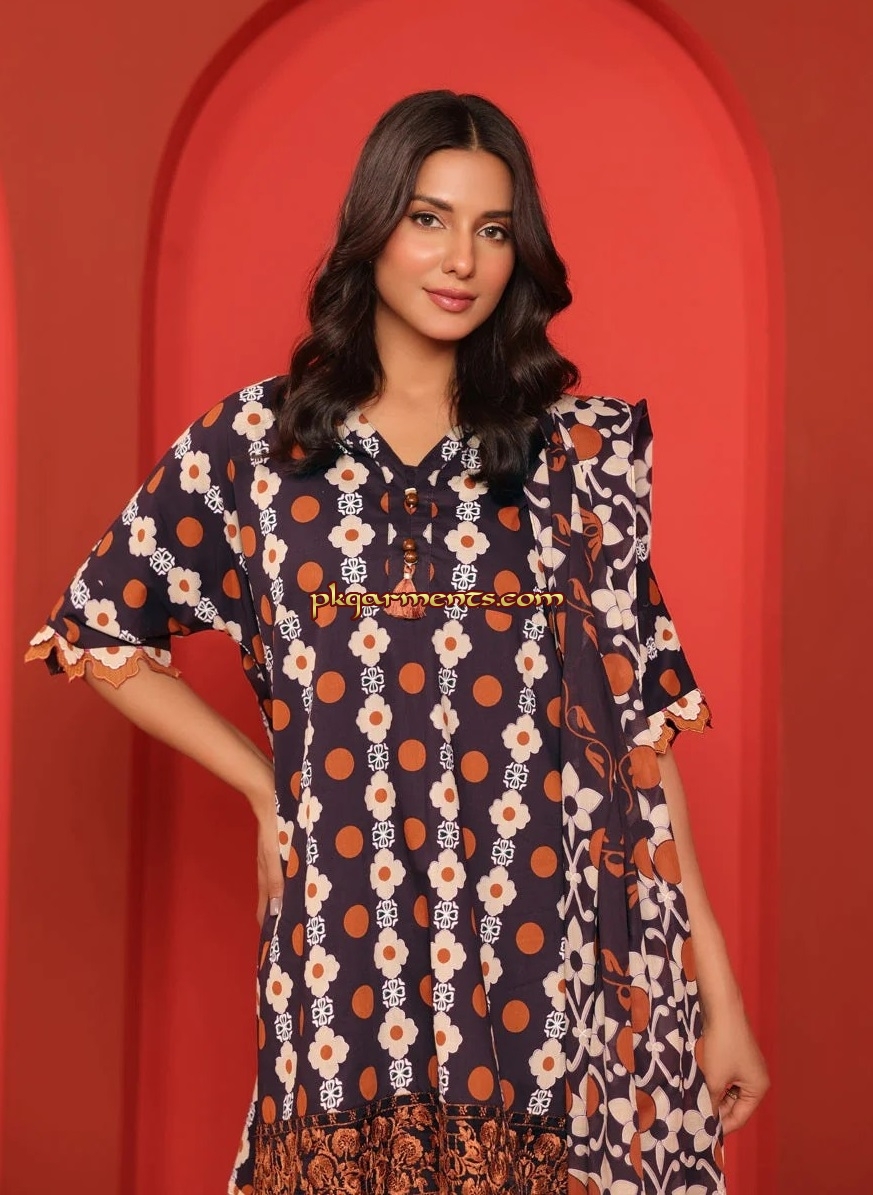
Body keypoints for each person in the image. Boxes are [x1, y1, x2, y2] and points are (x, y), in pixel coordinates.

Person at [24, 89, 768, 1193]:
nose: (460, 258)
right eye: (429, 218)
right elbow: (99, 625)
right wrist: (264, 785)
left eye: (492, 229)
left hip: (537, 964)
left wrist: (716, 988)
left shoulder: (566, 467)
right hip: (341, 951)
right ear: (372, 228)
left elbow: (639, 745)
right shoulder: (260, 448)